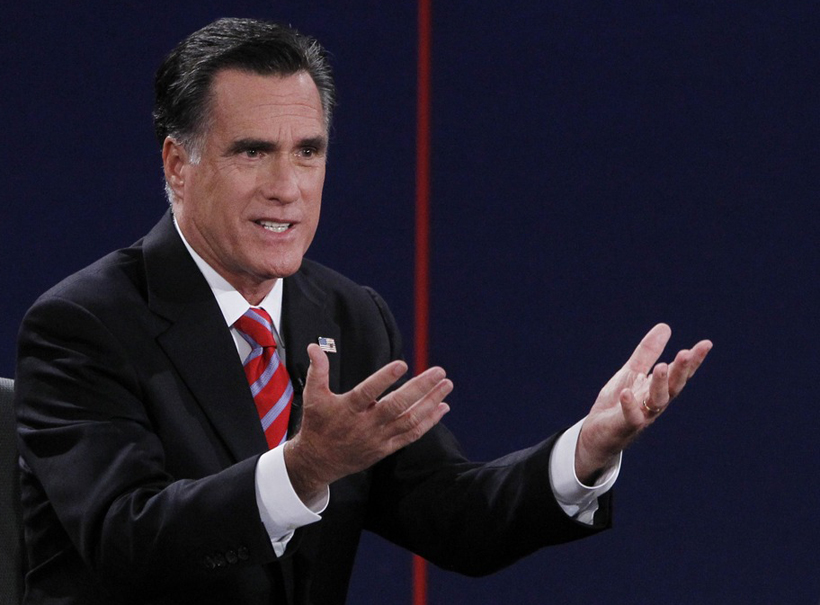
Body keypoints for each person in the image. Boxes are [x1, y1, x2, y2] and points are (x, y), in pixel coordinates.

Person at [14, 17, 712, 605]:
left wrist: (586, 450)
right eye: (253, 152)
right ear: (177, 165)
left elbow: (452, 517)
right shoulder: (84, 325)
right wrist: (303, 468)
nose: (287, 187)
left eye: (308, 153)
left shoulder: (348, 314)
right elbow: (126, 538)